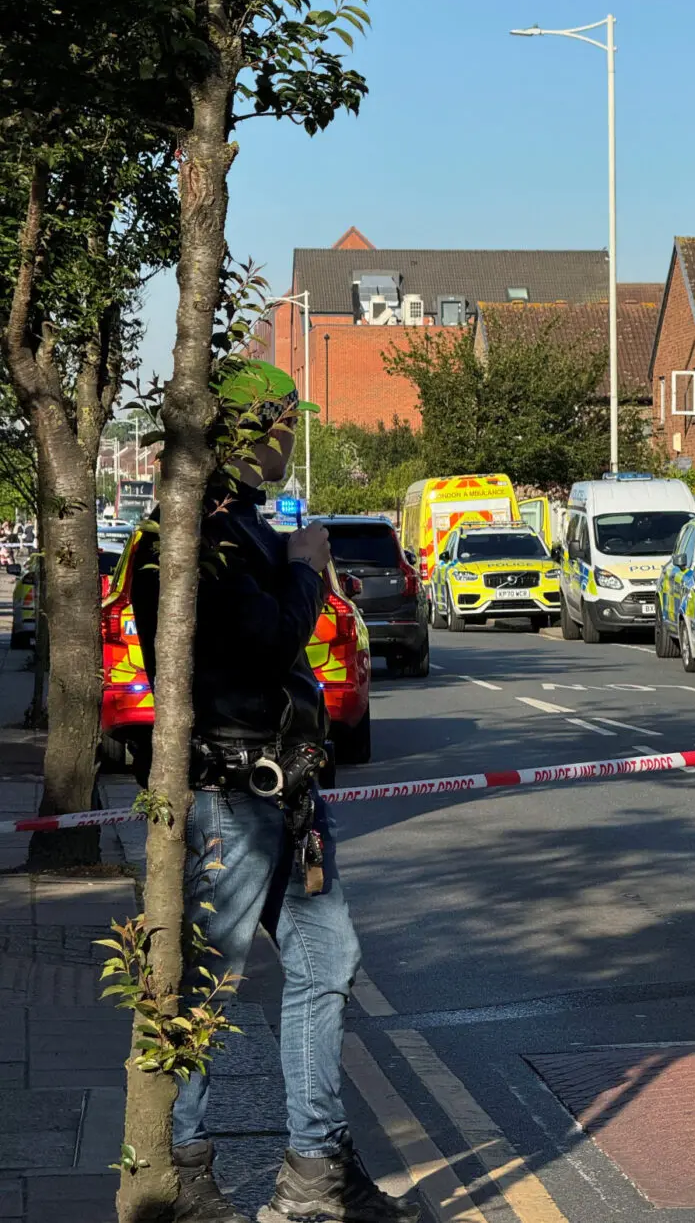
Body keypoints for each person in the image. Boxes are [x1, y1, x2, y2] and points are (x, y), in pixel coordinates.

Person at [131, 362, 418, 1223]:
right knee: (204, 992)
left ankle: (314, 1172)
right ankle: (183, 1178)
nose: (294, 439)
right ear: (249, 431)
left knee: (327, 962)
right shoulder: (194, 534)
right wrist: (303, 568)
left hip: (282, 792)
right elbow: (257, 642)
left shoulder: (239, 525)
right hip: (231, 793)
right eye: (287, 423)